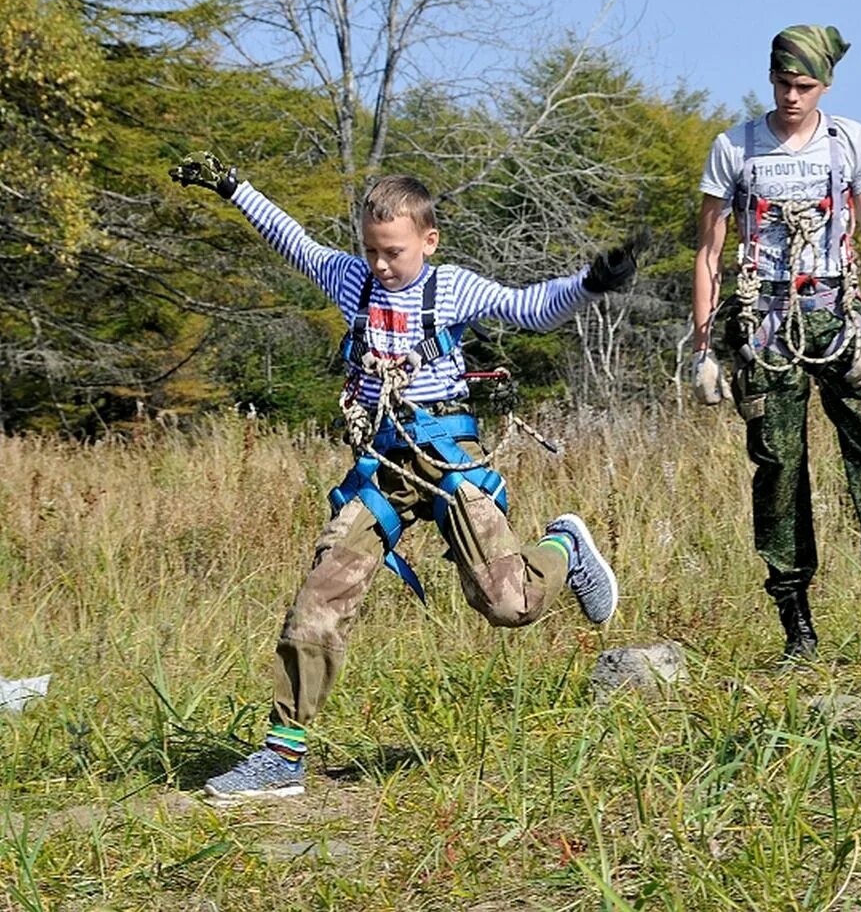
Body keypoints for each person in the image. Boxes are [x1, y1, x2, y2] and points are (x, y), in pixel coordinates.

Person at [170, 153, 636, 800]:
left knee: (508, 603)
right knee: (321, 595)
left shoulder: (452, 289)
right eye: (371, 250)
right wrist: (233, 186)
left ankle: (564, 547)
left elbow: (529, 308)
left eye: (392, 251)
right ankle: (282, 757)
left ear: (428, 240)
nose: (380, 264)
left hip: (447, 459)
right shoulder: (349, 280)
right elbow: (291, 240)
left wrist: (590, 283)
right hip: (383, 468)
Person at [691, 24, 861, 661]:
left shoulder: (850, 141)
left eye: (804, 85)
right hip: (764, 327)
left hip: (839, 313)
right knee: (779, 468)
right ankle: (797, 628)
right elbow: (707, 251)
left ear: (826, 84)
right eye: (783, 83)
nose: (792, 96)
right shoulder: (735, 148)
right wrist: (702, 347)